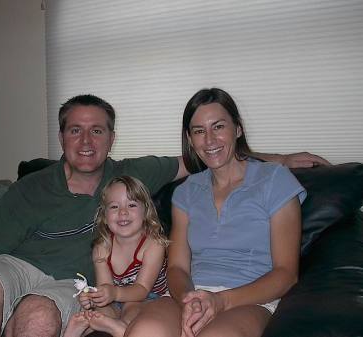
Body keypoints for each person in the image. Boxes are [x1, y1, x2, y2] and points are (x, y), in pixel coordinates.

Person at [0, 93, 328, 337]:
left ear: (112, 139)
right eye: (75, 131)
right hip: (23, 267)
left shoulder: (133, 174)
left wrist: (281, 159)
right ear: (61, 137)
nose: (86, 142)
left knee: (37, 314)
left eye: (97, 131)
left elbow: (211, 157)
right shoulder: (30, 187)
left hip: (73, 287)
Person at [124, 88, 307, 337]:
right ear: (190, 139)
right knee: (144, 331)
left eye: (218, 126)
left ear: (237, 129)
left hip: (249, 298)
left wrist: (221, 301)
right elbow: (177, 267)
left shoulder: (275, 180)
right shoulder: (186, 192)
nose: (209, 140)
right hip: (192, 295)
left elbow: (286, 274)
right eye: (199, 131)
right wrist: (190, 299)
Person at [64, 176, 169, 337]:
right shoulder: (102, 248)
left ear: (146, 211)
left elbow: (141, 290)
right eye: (114, 207)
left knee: (132, 308)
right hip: (117, 299)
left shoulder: (154, 245)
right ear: (104, 216)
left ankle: (121, 327)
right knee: (98, 311)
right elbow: (105, 285)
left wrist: (114, 293)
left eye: (132, 205)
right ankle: (82, 328)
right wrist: (94, 297)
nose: (123, 212)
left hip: (150, 299)